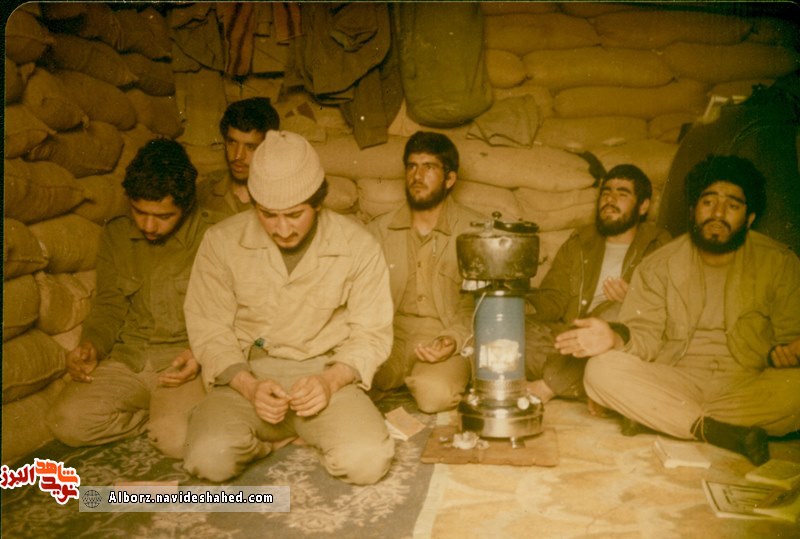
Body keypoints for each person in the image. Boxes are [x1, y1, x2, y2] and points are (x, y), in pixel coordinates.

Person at [558, 154, 800, 465]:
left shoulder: (779, 262)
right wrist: (614, 337)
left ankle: (664, 417)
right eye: (708, 202)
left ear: (749, 218)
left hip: (748, 383)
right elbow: (644, 335)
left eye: (732, 206)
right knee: (600, 370)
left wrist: (787, 351)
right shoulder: (658, 266)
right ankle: (715, 430)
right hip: (675, 379)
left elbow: (792, 336)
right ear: (692, 211)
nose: (718, 213)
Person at [183, 130, 395, 484]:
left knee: (367, 462)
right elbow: (209, 328)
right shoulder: (220, 242)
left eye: (295, 215)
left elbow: (371, 333)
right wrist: (249, 386)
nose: (282, 229)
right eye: (268, 215)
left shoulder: (359, 245)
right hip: (248, 374)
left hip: (324, 374)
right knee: (209, 459)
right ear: (254, 205)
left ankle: (306, 430)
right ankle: (270, 442)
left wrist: (329, 382)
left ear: (318, 203)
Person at [48, 138, 221, 458]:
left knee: (176, 441)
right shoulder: (116, 235)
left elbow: (230, 314)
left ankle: (171, 419)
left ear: (186, 206)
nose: (148, 226)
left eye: (163, 216)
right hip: (130, 360)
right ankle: (151, 418)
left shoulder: (214, 236)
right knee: (66, 422)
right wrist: (92, 345)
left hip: (185, 365)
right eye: (139, 212)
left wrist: (200, 353)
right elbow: (109, 306)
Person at [524, 165, 671, 405]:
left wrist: (634, 300)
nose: (610, 199)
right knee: (502, 321)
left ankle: (548, 385)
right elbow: (553, 297)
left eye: (622, 194)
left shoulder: (659, 247)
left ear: (643, 206)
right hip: (566, 338)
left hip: (615, 342)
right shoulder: (580, 241)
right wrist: (523, 307)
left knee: (617, 311)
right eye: (606, 192)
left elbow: (663, 316)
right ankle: (589, 388)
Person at [368, 132, 482, 413]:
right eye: (412, 166)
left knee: (434, 395)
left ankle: (420, 379)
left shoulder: (473, 231)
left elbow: (480, 305)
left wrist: (453, 339)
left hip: (443, 336)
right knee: (349, 382)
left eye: (429, 167)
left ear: (450, 179)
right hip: (390, 338)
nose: (417, 176)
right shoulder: (378, 231)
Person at [196, 97, 280, 216]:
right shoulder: (205, 192)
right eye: (232, 142)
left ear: (269, 148)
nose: (238, 156)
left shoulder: (283, 196)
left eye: (251, 147)